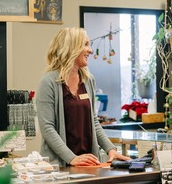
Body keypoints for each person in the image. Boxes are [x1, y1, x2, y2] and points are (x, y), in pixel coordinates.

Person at [35, 27, 131, 166]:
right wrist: (72, 158)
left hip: (88, 163)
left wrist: (110, 148)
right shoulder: (49, 82)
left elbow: (93, 121)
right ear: (71, 47)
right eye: (85, 44)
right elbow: (47, 128)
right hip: (59, 166)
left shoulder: (88, 79)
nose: (90, 50)